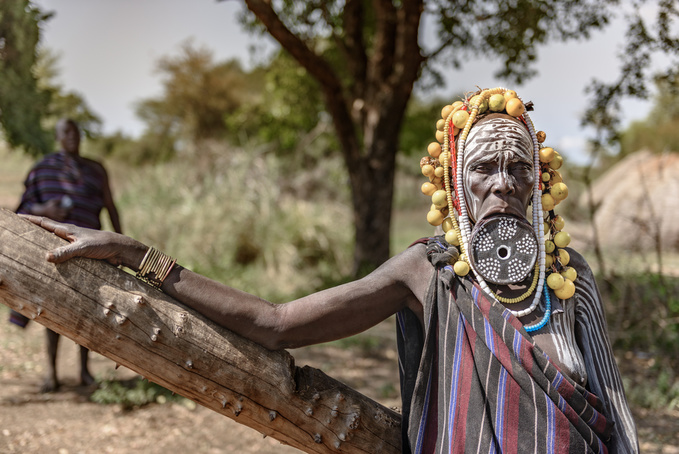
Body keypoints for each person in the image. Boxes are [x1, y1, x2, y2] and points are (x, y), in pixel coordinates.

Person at [23, 88, 638, 452]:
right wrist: (137, 254)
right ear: (457, 183)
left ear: (538, 181)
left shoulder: (570, 279)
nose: (502, 182)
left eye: (517, 165)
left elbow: (613, 412)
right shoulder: (428, 272)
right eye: (483, 167)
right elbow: (277, 321)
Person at [10, 118, 122, 392]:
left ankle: (84, 371)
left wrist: (121, 246)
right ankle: (51, 374)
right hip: (55, 251)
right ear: (58, 137)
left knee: (89, 310)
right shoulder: (43, 169)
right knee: (53, 311)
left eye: (76, 131)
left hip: (92, 250)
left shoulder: (96, 170)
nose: (73, 136)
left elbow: (111, 206)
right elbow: (22, 209)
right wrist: (45, 210)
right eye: (66, 132)